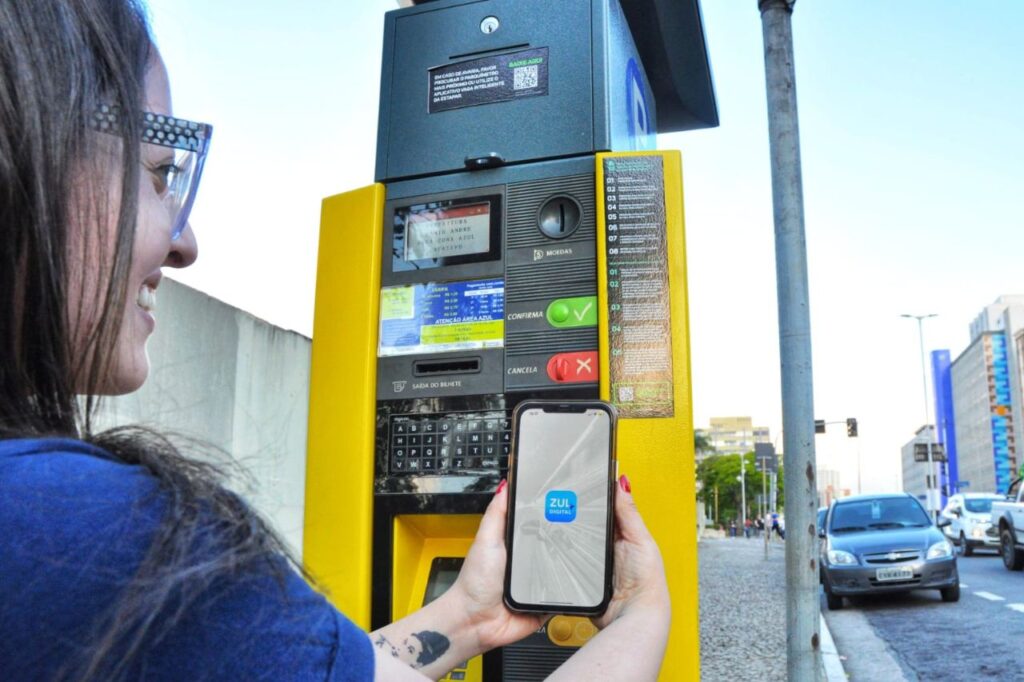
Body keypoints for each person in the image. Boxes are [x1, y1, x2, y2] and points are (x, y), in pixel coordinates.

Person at [0, 2, 672, 680]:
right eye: (157, 174)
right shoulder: (99, 539)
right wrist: (644, 617)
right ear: (29, 157)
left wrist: (466, 615)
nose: (185, 242)